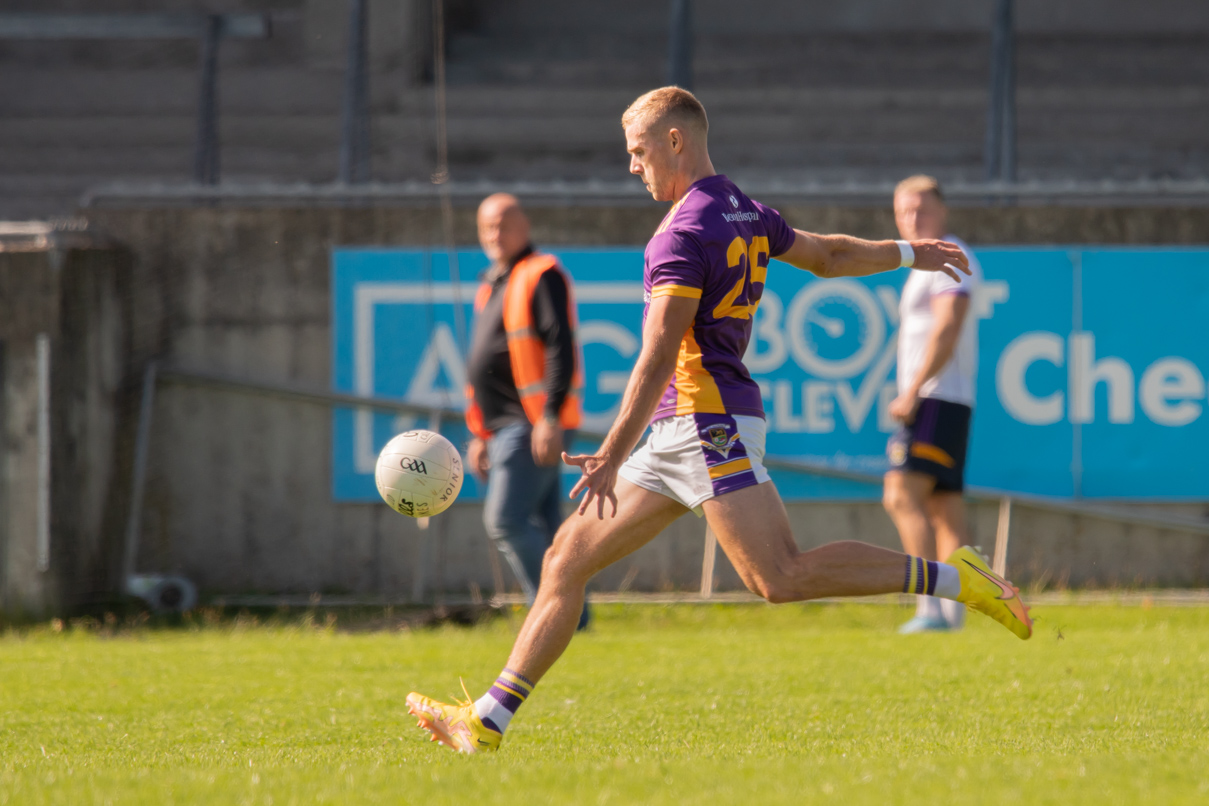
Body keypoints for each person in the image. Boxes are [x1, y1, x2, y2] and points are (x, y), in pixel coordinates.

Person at [407, 88, 1032, 754]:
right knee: (564, 558)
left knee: (779, 577)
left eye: (638, 151)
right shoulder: (742, 208)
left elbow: (653, 356)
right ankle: (487, 721)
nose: (632, 166)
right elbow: (827, 256)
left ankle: (957, 579)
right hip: (687, 427)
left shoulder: (679, 234)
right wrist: (909, 253)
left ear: (675, 141)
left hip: (705, 425)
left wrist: (613, 450)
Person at [464, 193, 590, 631]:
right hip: (502, 427)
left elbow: (560, 345)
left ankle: (551, 615)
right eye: (486, 227)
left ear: (525, 226)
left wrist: (550, 417)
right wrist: (480, 432)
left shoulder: (542, 273)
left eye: (503, 224)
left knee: (506, 520)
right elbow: (483, 366)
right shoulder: (492, 283)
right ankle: (575, 619)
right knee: (548, 526)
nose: (494, 235)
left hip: (533, 424)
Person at [884, 176, 984, 634]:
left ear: (942, 211)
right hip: (948, 399)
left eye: (921, 209)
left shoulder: (950, 255)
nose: (912, 219)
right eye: (904, 210)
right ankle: (956, 613)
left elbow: (949, 325)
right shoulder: (922, 264)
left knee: (901, 495)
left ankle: (930, 608)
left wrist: (913, 391)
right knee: (945, 509)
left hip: (936, 398)